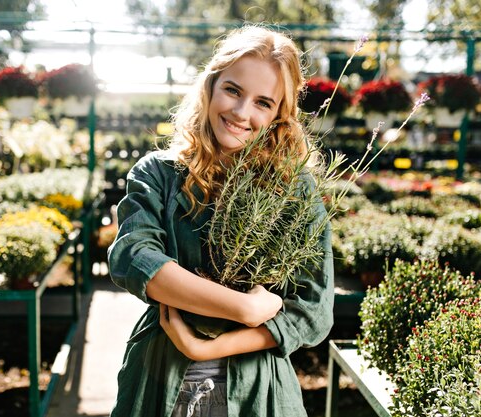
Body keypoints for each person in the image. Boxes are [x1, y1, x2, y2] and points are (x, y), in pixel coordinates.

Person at [107, 24, 334, 417]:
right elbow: (134, 259)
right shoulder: (158, 174)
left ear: (280, 114)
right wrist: (245, 309)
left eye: (263, 102)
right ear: (210, 86)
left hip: (258, 392)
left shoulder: (293, 189)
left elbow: (313, 309)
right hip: (159, 382)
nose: (242, 113)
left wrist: (206, 348)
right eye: (233, 90)